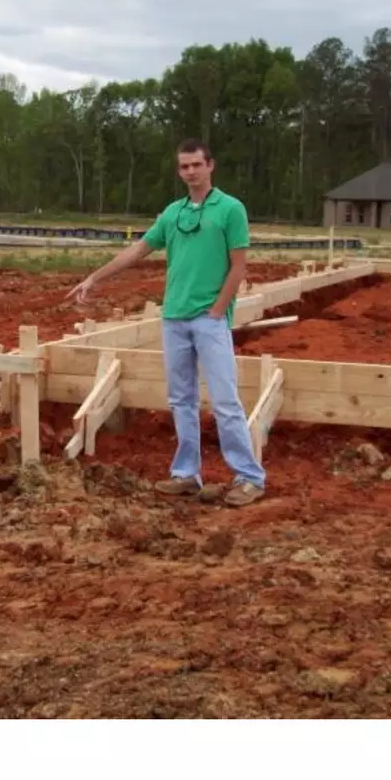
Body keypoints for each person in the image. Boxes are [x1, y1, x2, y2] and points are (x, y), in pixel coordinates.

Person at [68, 140, 265, 507]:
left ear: (210, 166)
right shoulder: (172, 213)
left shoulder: (230, 209)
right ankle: (186, 474)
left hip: (209, 320)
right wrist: (95, 277)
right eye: (184, 167)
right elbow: (138, 250)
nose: (190, 171)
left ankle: (250, 477)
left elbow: (238, 266)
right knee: (181, 400)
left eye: (196, 165)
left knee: (225, 400)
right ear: (179, 171)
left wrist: (217, 310)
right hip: (174, 318)